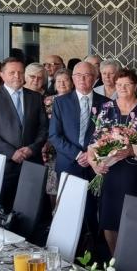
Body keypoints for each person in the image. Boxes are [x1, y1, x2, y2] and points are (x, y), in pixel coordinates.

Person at [89, 69, 137, 256]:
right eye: (119, 85)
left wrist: (131, 150)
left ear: (136, 85)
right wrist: (95, 163)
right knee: (109, 217)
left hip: (135, 173)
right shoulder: (106, 107)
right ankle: (115, 259)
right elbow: (94, 140)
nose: (122, 88)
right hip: (110, 171)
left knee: (133, 217)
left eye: (127, 84)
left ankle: (132, 258)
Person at [0, 57, 48, 210]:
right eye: (12, 73)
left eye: (20, 72)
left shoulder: (36, 97)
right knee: (3, 209)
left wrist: (32, 148)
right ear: (2, 75)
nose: (17, 76)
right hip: (4, 165)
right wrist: (12, 152)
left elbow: (43, 128)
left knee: (32, 209)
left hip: (32, 161)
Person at [49, 63, 107, 247]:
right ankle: (68, 250)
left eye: (87, 75)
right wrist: (78, 154)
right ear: (72, 78)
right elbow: (54, 136)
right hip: (69, 164)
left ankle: (92, 251)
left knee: (92, 211)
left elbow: (107, 136)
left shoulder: (106, 103)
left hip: (94, 167)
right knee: (68, 210)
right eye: (78, 75)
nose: (82, 79)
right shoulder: (60, 102)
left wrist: (91, 155)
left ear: (95, 78)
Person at [44, 68, 79, 199]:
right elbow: (43, 125)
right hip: (50, 147)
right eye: (58, 81)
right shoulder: (48, 101)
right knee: (52, 185)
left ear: (72, 82)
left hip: (70, 148)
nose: (62, 84)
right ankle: (55, 210)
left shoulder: (78, 99)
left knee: (70, 186)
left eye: (65, 80)